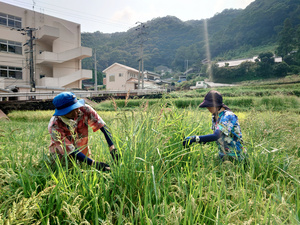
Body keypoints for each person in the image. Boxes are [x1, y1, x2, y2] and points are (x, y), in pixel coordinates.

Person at [48, 92, 118, 171]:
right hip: (63, 157)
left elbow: (102, 126)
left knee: (87, 171)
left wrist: (112, 147)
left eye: (76, 108)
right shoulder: (55, 125)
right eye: (70, 111)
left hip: (83, 151)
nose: (75, 113)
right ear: (62, 112)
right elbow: (70, 150)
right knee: (68, 172)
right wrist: (93, 163)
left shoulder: (84, 109)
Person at [183, 90, 247, 161]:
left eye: (211, 105)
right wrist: (203, 140)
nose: (208, 108)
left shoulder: (228, 116)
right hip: (223, 155)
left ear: (218, 105)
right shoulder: (215, 116)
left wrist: (195, 138)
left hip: (237, 155)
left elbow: (216, 135)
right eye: (207, 105)